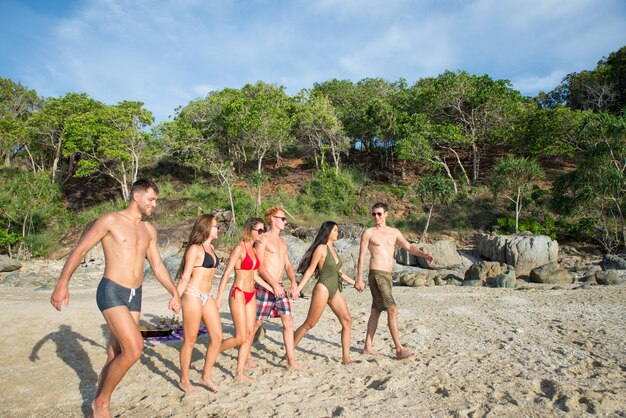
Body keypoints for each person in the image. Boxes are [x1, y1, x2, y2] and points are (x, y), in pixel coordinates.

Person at [50, 179, 181, 418]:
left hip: (135, 295)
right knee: (134, 349)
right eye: (151, 199)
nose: (154, 204)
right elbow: (80, 250)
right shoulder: (110, 220)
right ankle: (101, 402)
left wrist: (174, 292)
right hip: (112, 290)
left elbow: (158, 265)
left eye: (156, 200)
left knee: (116, 353)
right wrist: (62, 283)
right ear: (136, 196)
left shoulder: (148, 230)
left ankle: (98, 400)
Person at [355, 202, 434, 359]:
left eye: (379, 214)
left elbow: (409, 247)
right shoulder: (369, 233)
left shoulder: (394, 232)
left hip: (388, 276)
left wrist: (423, 254)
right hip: (376, 274)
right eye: (373, 214)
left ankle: (367, 347)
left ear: (386, 214)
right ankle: (398, 349)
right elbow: (362, 256)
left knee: (376, 311)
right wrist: (359, 278)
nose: (376, 217)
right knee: (392, 309)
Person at [293, 222, 362, 364]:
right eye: (335, 230)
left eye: (338, 230)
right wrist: (298, 289)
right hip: (323, 288)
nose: (338, 233)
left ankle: (346, 358)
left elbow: (339, 272)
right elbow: (311, 270)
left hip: (334, 289)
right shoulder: (321, 248)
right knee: (310, 324)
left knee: (347, 320)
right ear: (328, 232)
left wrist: (354, 283)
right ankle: (289, 351)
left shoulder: (333, 249)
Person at [215, 217, 273, 382]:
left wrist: (271, 288)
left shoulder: (254, 250)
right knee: (240, 336)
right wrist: (219, 297)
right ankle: (214, 350)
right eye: (259, 230)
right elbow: (226, 274)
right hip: (238, 292)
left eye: (264, 230)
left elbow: (255, 275)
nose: (262, 233)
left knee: (248, 335)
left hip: (251, 293)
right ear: (250, 230)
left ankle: (239, 372)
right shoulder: (239, 248)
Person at [249, 207, 304, 370]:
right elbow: (259, 266)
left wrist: (294, 282)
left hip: (279, 287)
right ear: (273, 219)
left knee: (288, 322)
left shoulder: (283, 241)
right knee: (257, 322)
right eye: (283, 219)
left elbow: (287, 264)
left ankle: (291, 360)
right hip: (265, 286)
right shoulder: (263, 239)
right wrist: (272, 284)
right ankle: (246, 354)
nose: (285, 222)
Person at [175, 214, 223, 393]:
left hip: (206, 295)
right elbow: (185, 276)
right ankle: (184, 379)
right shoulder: (194, 249)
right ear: (206, 228)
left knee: (217, 337)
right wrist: (176, 297)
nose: (218, 229)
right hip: (192, 294)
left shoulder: (210, 247)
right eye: (216, 226)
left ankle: (205, 376)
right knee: (191, 339)